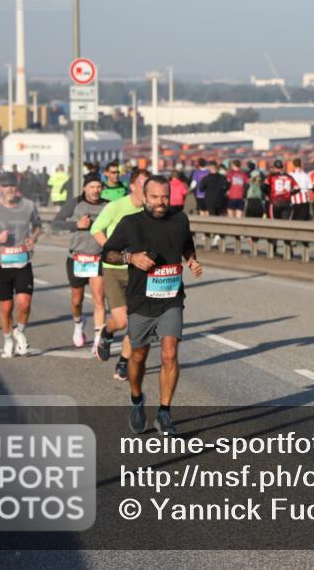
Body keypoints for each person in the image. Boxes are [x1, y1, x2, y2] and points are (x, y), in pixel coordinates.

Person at [103, 175, 204, 436]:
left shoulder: (179, 219)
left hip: (171, 299)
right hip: (141, 301)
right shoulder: (130, 223)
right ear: (145, 197)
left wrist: (191, 261)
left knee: (170, 352)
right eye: (155, 197)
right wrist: (131, 257)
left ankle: (164, 412)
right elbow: (108, 252)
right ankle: (137, 399)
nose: (161, 202)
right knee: (138, 356)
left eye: (165, 197)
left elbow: (187, 246)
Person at [91, 167, 151, 376]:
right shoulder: (116, 206)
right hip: (114, 269)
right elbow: (95, 229)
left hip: (139, 271)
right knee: (122, 320)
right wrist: (111, 248)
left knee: (136, 322)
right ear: (133, 186)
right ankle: (107, 332)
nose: (147, 188)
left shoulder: (151, 210)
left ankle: (123, 362)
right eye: (144, 183)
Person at [0, 172, 41, 358]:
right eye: (5, 186)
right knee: (6, 307)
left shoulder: (28, 206)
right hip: (0, 264)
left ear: (17, 187)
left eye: (12, 185)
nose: (10, 189)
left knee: (25, 303)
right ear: (0, 189)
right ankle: (7, 339)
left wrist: (32, 238)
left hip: (22, 262)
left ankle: (19, 331)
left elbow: (37, 225)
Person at [52, 173, 108, 349]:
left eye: (98, 186)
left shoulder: (107, 205)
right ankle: (78, 324)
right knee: (77, 300)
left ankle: (99, 339)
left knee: (99, 299)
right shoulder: (74, 203)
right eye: (92, 186)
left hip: (98, 258)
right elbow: (56, 223)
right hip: (77, 258)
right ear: (85, 188)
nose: (95, 190)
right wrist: (77, 225)